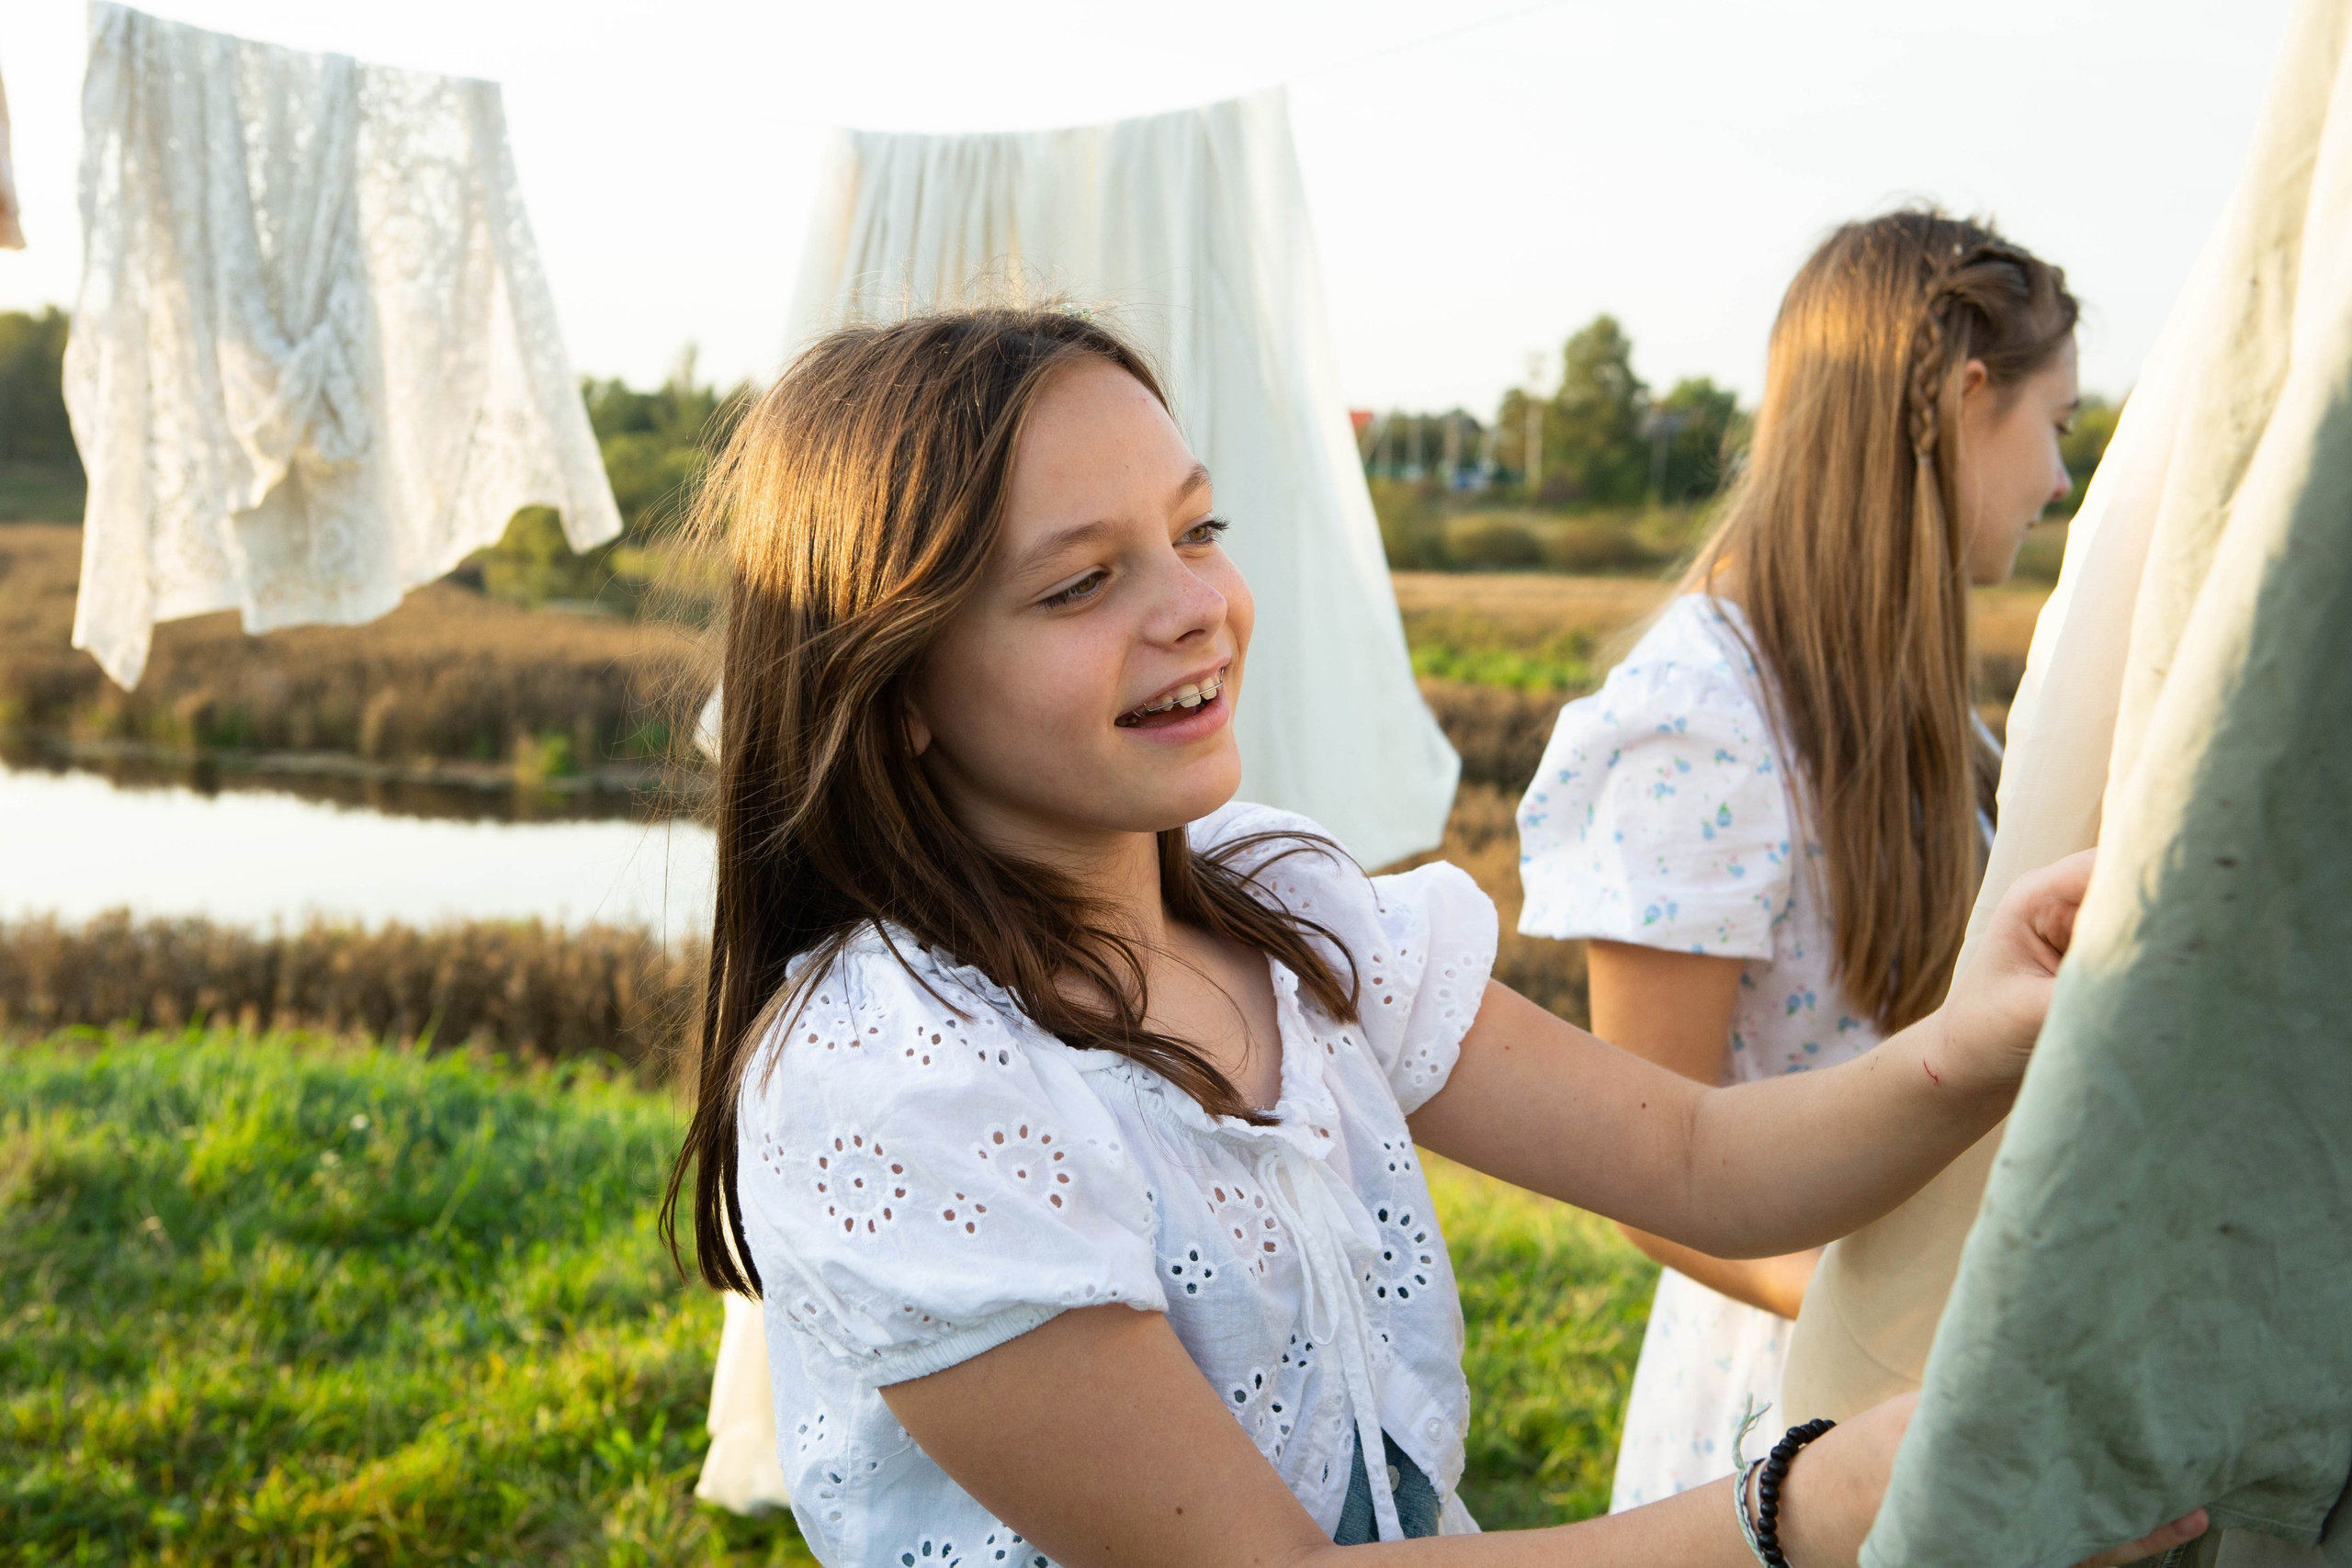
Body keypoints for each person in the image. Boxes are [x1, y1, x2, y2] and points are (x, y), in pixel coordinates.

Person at [663, 305, 2194, 1567]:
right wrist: (1805, 1507)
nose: (1195, 605)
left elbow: (1698, 1163)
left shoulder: (1286, 909)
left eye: (1199, 529)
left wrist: (1976, 1036)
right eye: (1081, 582)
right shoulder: (897, 1082)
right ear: (900, 687)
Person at [1514, 210, 2085, 1513]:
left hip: (1928, 1359)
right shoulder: (1701, 716)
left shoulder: (1915, 703)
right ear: (1962, 397)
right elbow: (1652, 1173)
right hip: (1793, 1391)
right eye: (2056, 427)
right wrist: (1913, 1329)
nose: (2061, 481)